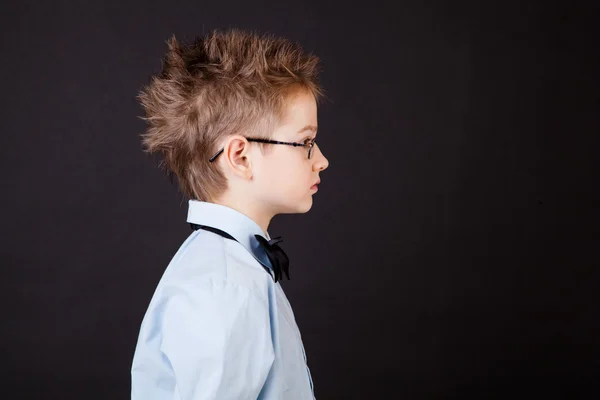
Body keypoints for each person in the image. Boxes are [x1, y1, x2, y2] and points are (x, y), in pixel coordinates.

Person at [130, 28, 329, 400]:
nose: (321, 160)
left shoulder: (232, 268)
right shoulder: (226, 286)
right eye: (305, 142)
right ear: (240, 156)